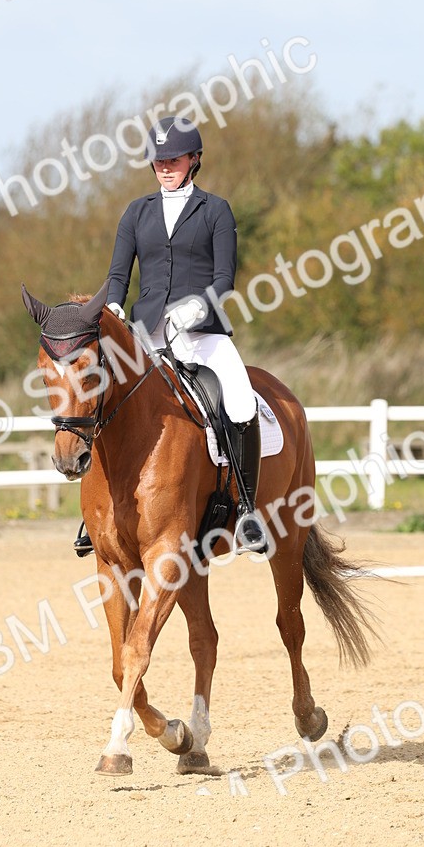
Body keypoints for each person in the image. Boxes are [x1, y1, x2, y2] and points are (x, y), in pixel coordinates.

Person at [101, 114, 267, 553]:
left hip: (201, 332)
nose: (165, 167)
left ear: (194, 159)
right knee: (100, 399)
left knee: (239, 397)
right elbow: (118, 275)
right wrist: (114, 306)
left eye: (174, 159)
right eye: (158, 161)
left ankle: (248, 510)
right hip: (147, 337)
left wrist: (199, 305)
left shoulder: (215, 210)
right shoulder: (136, 212)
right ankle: (99, 513)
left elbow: (224, 277)